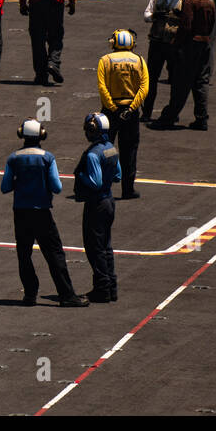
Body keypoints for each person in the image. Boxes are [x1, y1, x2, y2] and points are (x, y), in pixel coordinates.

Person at [0, 119, 88, 306]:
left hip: (21, 212)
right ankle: (66, 295)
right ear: (41, 135)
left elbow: (5, 187)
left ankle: (30, 294)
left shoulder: (13, 158)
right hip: (42, 213)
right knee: (55, 254)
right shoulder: (47, 158)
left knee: (24, 255)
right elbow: (57, 187)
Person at [152, 0, 216, 131]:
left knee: (181, 84)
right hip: (205, 44)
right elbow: (212, 25)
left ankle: (169, 117)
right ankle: (201, 118)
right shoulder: (209, 0)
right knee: (201, 82)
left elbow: (185, 27)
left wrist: (176, 45)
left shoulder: (191, 0)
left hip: (190, 47)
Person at [73, 113, 121, 303]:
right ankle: (111, 287)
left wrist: (81, 174)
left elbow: (95, 181)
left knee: (95, 248)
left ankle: (102, 288)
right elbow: (118, 176)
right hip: (109, 201)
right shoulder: (111, 149)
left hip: (97, 203)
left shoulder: (93, 154)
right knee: (106, 247)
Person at [97, 29, 148, 200]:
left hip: (110, 112)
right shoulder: (139, 61)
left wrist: (112, 107)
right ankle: (128, 189)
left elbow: (102, 88)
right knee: (129, 152)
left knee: (105, 149)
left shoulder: (105, 60)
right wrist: (131, 108)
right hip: (130, 112)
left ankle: (104, 188)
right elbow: (144, 88)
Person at [142, 0, 185, 122]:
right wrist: (155, 16)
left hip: (174, 45)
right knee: (151, 79)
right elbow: (146, 15)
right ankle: (146, 112)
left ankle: (173, 113)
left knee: (175, 81)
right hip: (157, 44)